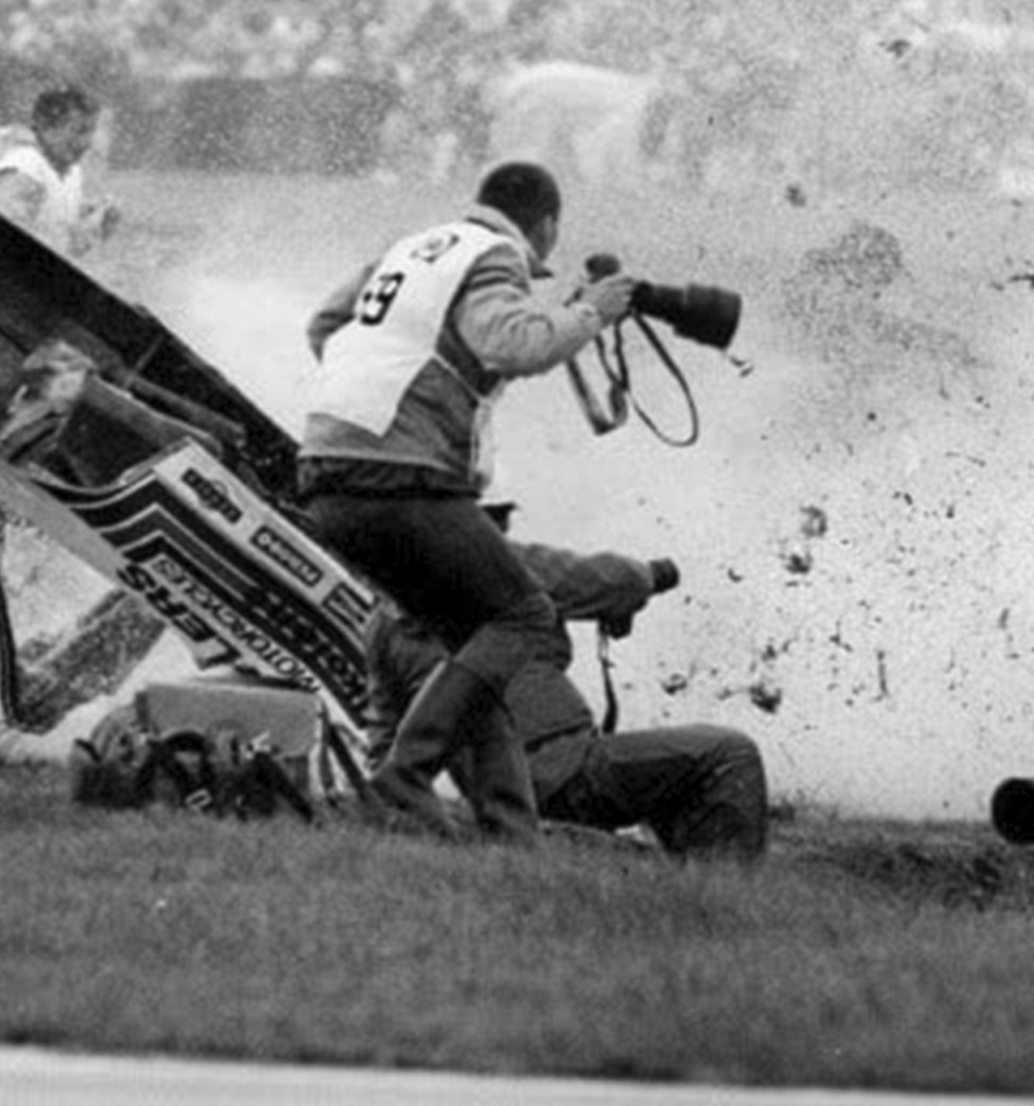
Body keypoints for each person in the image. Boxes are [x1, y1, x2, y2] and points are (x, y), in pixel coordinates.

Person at [298, 160, 637, 841]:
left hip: (326, 470)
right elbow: (512, 343)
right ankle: (406, 772)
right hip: (402, 477)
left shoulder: (414, 248)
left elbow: (324, 325)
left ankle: (512, 833)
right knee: (528, 621)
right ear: (545, 225)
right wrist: (593, 311)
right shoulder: (496, 256)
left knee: (474, 643)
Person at [364, 539, 769, 859]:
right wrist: (652, 575)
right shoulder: (498, 566)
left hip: (499, 798)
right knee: (727, 753)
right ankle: (726, 900)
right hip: (566, 773)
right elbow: (610, 580)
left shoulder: (384, 624)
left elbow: (385, 739)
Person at [0, 82, 113, 258]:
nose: (87, 142)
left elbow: (48, 214)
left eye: (91, 131)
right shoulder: (24, 171)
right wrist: (79, 238)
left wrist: (88, 214)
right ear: (46, 127)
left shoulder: (69, 170)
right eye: (79, 131)